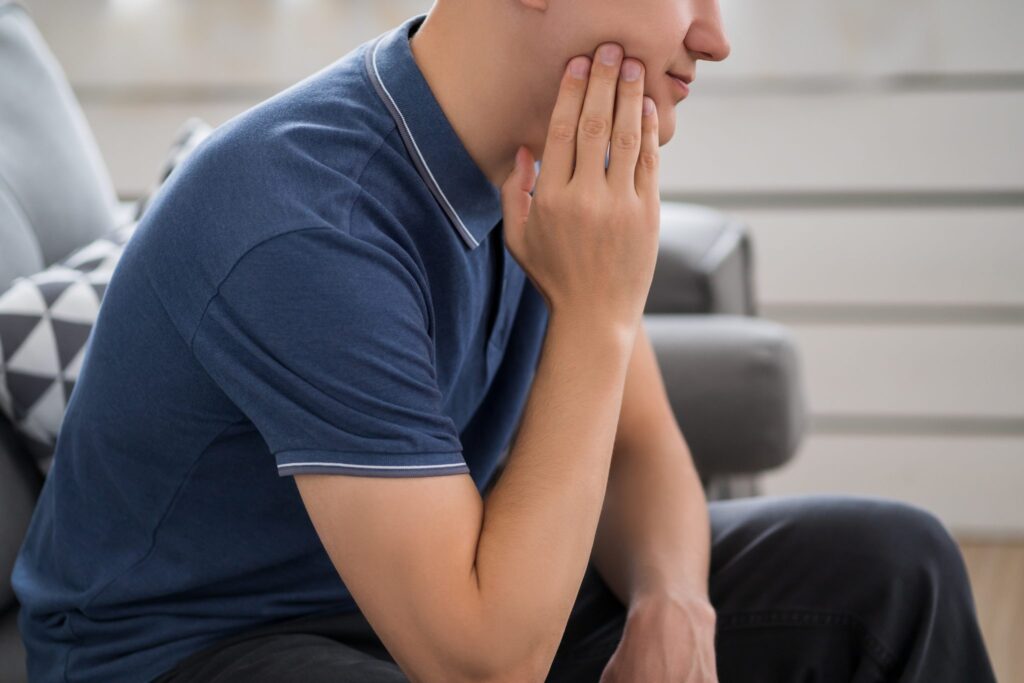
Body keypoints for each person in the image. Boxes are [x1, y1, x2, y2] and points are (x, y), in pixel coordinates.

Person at [13, 1, 997, 681]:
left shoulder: (546, 167)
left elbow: (641, 450)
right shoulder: (303, 222)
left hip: (449, 597)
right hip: (191, 647)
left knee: (894, 565)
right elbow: (486, 663)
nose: (714, 36)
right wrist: (601, 311)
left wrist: (673, 602)